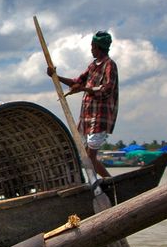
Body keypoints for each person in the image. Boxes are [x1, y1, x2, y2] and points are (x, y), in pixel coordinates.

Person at [47, 31, 118, 179]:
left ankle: (106, 183)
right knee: (83, 155)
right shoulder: (93, 66)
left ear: (98, 47)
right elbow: (76, 82)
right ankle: (102, 182)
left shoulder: (109, 65)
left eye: (92, 46)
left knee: (90, 157)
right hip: (87, 117)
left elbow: (107, 89)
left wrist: (83, 89)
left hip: (99, 117)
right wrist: (55, 76)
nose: (91, 49)